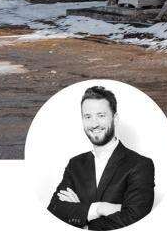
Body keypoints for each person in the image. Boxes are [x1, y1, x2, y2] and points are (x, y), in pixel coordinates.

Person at [47, 85, 155, 229]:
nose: (94, 124)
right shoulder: (75, 164)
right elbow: (54, 209)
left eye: (101, 115)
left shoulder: (140, 164)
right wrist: (98, 208)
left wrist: (83, 218)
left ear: (115, 118)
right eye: (88, 116)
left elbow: (135, 216)